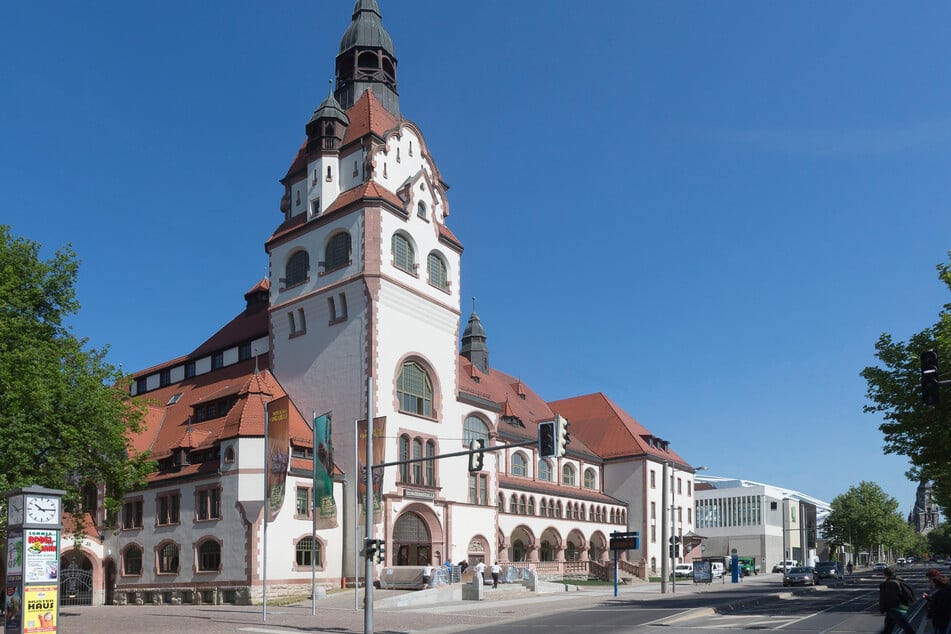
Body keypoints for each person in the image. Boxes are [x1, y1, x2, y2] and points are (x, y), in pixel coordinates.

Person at [879, 566, 916, 634]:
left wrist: (884, 607)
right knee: (888, 628)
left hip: (895, 609)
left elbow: (890, 597)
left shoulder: (891, 583)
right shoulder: (898, 580)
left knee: (906, 627)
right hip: (895, 609)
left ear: (885, 574)